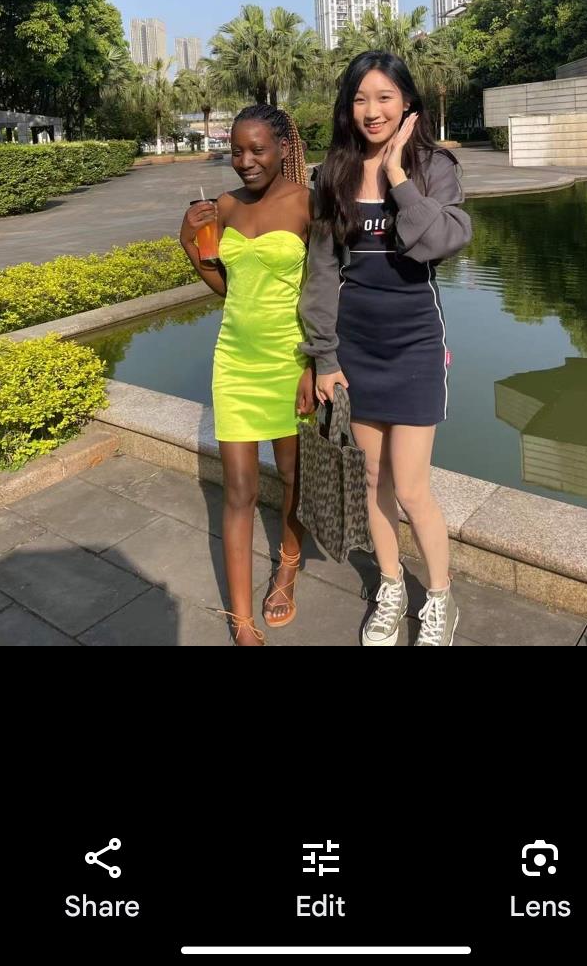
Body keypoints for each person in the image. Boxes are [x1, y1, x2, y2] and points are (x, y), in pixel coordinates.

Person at [298, 52, 472, 647]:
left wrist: (397, 175)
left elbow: (441, 241)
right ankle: (392, 586)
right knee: (374, 477)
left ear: (407, 103)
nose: (371, 111)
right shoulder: (333, 173)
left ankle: (441, 597)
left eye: (384, 98)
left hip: (416, 341)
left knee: (413, 486)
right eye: (360, 99)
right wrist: (324, 356)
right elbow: (322, 271)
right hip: (356, 346)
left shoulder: (434, 167)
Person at [179, 105, 315, 645]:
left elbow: (326, 292)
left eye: (257, 149)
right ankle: (241, 619)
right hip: (234, 360)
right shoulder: (226, 206)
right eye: (237, 150)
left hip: (291, 362)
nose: (245, 160)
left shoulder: (309, 205)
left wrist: (316, 365)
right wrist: (189, 243)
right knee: (238, 490)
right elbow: (227, 288)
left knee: (293, 477)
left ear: (283, 148)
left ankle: (288, 563)